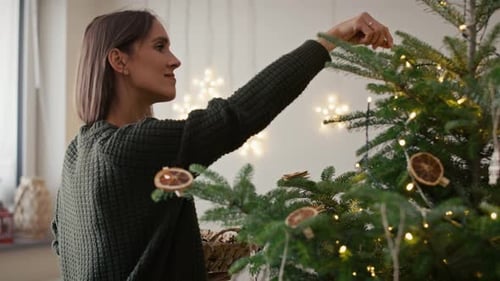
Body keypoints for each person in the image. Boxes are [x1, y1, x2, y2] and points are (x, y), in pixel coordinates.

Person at [51, 9, 392, 281]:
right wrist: (329, 40)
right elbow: (235, 116)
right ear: (119, 60)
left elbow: (62, 240)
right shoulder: (129, 146)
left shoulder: (77, 150)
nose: (174, 60)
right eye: (159, 47)